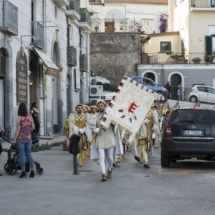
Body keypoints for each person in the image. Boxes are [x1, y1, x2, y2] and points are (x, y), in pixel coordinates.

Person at [93, 100, 117, 182]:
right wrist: (94, 129)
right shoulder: (95, 116)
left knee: (110, 158)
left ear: (104, 106)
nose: (100, 107)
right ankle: (103, 174)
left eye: (102, 105)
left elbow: (115, 124)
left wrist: (110, 117)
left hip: (109, 136)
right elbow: (92, 126)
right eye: (99, 106)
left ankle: (109, 169)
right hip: (100, 137)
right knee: (102, 157)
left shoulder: (109, 114)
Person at [11, 103, 35, 178]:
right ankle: (33, 170)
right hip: (28, 138)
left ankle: (23, 171)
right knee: (29, 154)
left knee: (21, 154)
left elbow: (18, 129)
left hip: (20, 139)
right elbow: (33, 127)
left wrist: (14, 139)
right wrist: (27, 132)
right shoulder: (30, 117)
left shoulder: (18, 118)